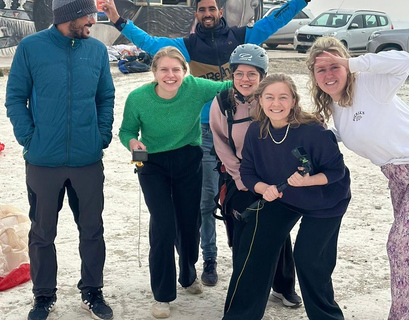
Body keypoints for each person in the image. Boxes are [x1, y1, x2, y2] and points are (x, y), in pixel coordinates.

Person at [102, 0, 311, 286]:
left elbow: (275, 19)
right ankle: (209, 258)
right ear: (196, 14)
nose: (208, 14)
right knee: (205, 199)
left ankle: (278, 277)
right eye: (202, 10)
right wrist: (117, 19)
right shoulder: (187, 45)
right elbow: (150, 43)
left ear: (220, 12)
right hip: (203, 131)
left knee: (262, 194)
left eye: (212, 8)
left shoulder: (240, 38)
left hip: (242, 127)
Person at [306, 37, 409, 320]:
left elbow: (405, 62)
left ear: (347, 66)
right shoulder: (335, 106)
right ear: (313, 76)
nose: (329, 75)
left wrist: (354, 63)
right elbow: (354, 131)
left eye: (335, 66)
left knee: (403, 246)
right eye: (321, 70)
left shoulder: (370, 84)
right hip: (399, 176)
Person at [4, 0, 115, 319]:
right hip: (43, 161)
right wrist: (30, 138)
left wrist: (101, 135)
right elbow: (15, 97)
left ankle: (92, 291)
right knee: (42, 232)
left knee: (92, 229)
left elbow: (105, 96)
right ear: (69, 15)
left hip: (87, 159)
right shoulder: (31, 47)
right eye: (89, 15)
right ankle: (43, 296)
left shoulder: (95, 50)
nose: (94, 20)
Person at [223, 74, 351, 320]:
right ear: (260, 100)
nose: (276, 103)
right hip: (284, 198)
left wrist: (307, 181)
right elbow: (247, 172)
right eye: (269, 97)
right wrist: (263, 188)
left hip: (325, 201)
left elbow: (337, 172)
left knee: (309, 260)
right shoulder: (255, 132)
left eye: (283, 97)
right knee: (254, 245)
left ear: (293, 101)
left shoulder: (313, 131)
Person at [118, 46, 231, 319]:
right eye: (164, 70)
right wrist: (133, 142)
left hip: (187, 160)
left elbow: (233, 84)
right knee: (163, 225)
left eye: (176, 69)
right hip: (152, 164)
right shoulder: (138, 98)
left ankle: (188, 274)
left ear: (185, 72)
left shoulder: (196, 88)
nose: (171, 75)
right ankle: (162, 294)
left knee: (189, 224)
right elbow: (127, 131)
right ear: (154, 72)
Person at [210, 44, 302, 308]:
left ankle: (283, 285)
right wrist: (243, 181)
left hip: (275, 179)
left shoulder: (271, 99)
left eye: (252, 74)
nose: (245, 79)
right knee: (243, 235)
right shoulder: (223, 103)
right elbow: (221, 143)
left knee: (278, 232)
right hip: (238, 179)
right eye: (239, 73)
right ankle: (244, 288)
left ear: (262, 76)